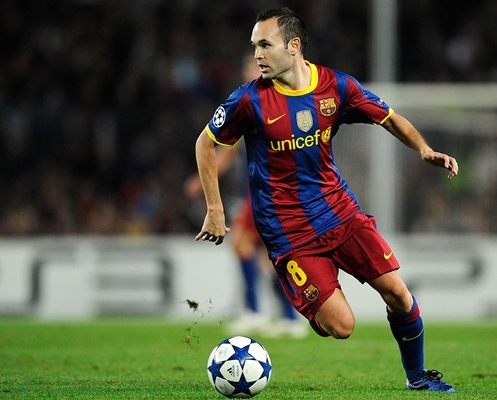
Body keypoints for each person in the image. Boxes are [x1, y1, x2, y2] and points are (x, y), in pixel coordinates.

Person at [194, 7, 458, 392]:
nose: (257, 55)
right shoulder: (248, 100)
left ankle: (417, 378)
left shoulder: (336, 86)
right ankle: (306, 293)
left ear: (293, 46)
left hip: (339, 211)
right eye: (254, 46)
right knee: (342, 326)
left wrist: (423, 149)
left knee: (399, 294)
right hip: (289, 231)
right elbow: (205, 143)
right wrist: (215, 209)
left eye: (265, 45)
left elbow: (389, 117)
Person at [185, 54, 307, 338]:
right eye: (247, 68)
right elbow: (229, 152)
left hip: (269, 192)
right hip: (263, 192)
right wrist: (202, 179)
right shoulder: (253, 104)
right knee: (268, 256)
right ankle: (289, 317)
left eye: (254, 67)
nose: (249, 72)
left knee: (242, 243)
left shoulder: (268, 104)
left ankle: (256, 313)